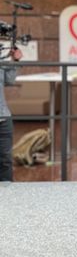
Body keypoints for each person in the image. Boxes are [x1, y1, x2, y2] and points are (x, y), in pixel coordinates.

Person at [0, 47, 22, 182]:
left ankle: (8, 195)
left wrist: (15, 60)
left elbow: (9, 80)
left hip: (3, 117)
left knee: (6, 160)